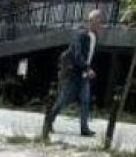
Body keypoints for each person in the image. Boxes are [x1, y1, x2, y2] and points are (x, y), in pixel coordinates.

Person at [43, 9, 105, 138]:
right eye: (98, 21)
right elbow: (77, 55)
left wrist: (89, 69)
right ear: (91, 21)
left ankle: (84, 129)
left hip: (84, 75)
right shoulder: (81, 35)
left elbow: (90, 56)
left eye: (101, 22)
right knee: (63, 100)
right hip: (73, 73)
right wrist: (87, 68)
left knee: (85, 100)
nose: (100, 24)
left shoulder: (95, 37)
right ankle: (48, 122)